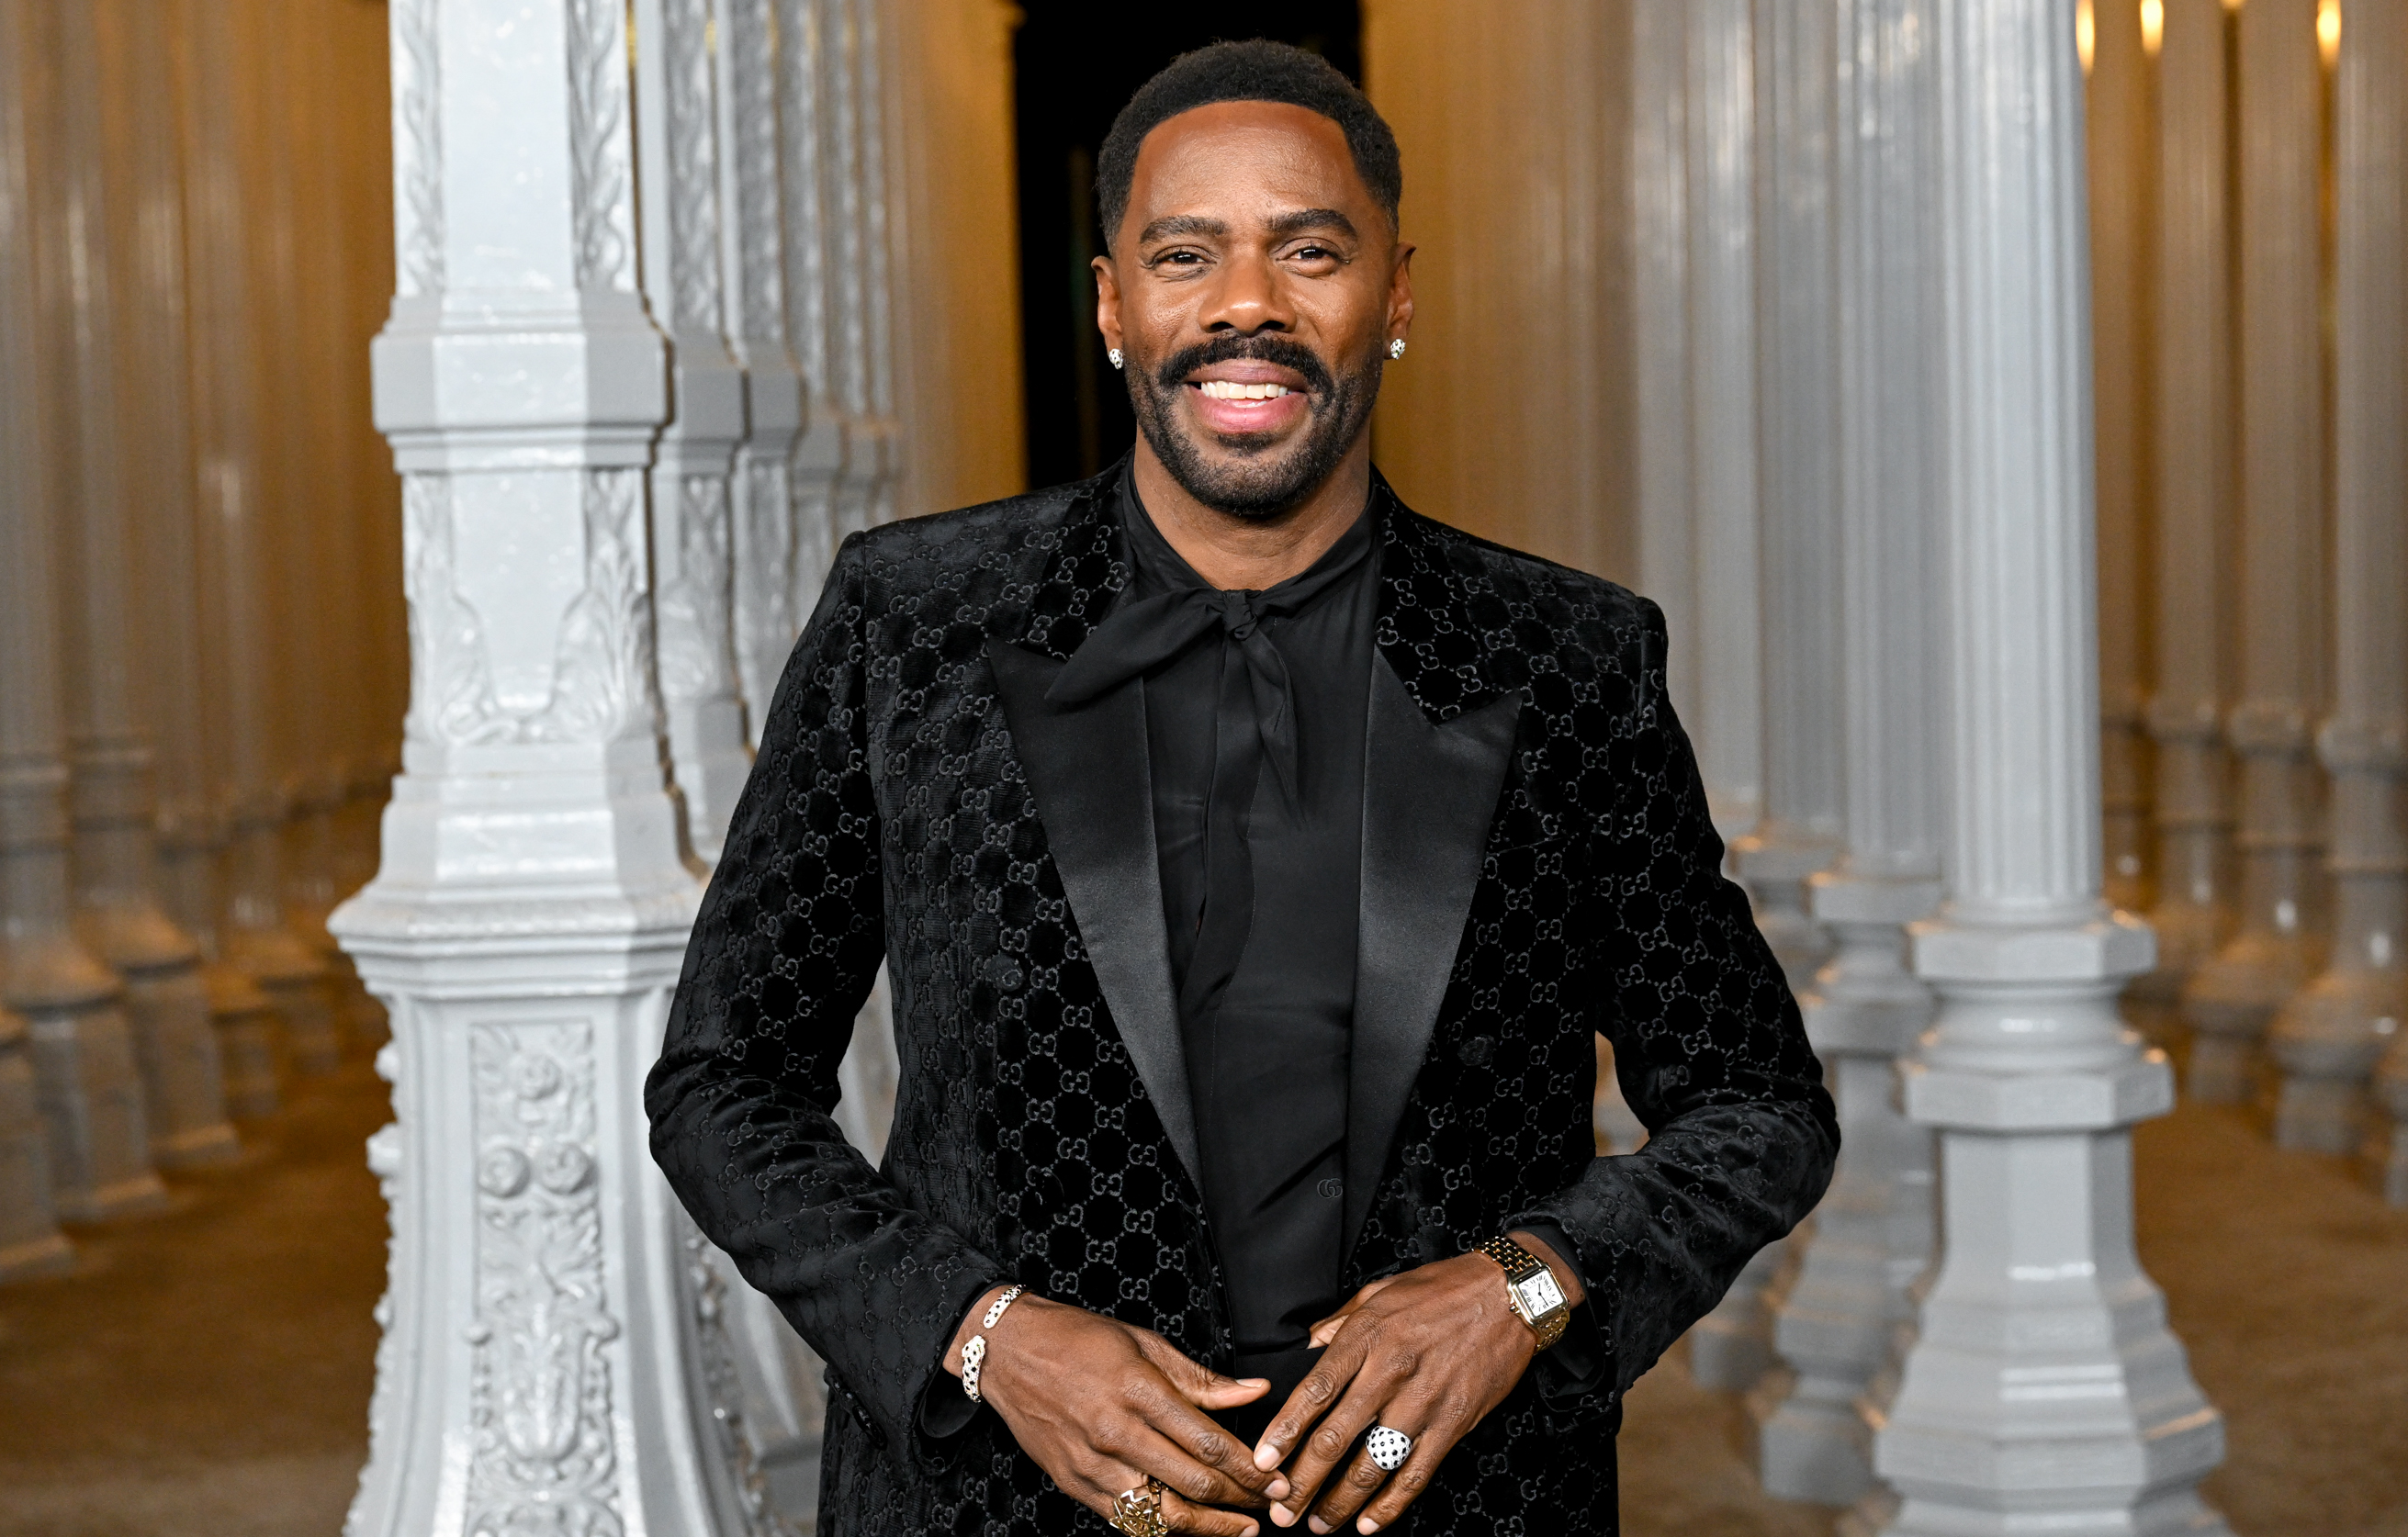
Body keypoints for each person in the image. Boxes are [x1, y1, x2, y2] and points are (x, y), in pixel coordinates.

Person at [647, 39, 1836, 1537]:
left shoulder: (1568, 661)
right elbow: (723, 1082)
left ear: (1394, 293)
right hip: (999, 1507)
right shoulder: (914, 625)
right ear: (1111, 304)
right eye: (1184, 254)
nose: (1246, 305)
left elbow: (1756, 1105)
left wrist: (1524, 1284)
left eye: (1310, 251)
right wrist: (979, 1326)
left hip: (1457, 1509)